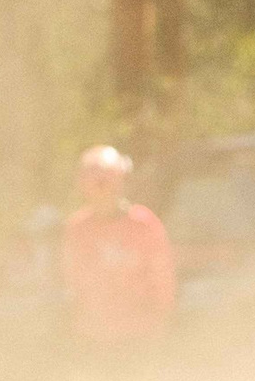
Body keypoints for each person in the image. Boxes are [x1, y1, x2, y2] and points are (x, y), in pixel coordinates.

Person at [60, 144, 175, 346]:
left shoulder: (143, 224)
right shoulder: (78, 228)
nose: (102, 190)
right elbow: (71, 281)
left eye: (107, 182)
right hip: (92, 339)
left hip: (139, 338)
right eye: (96, 183)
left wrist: (160, 323)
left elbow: (163, 280)